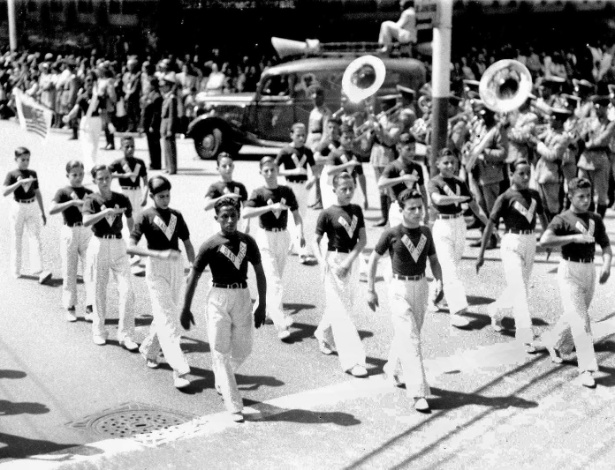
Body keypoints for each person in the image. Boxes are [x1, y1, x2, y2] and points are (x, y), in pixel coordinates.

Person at [180, 197, 267, 423]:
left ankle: (221, 374)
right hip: (218, 297)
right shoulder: (210, 245)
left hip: (242, 295)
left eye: (233, 215)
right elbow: (194, 277)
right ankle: (233, 402)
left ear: (239, 216)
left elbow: (259, 272)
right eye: (224, 216)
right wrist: (186, 307)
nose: (229, 221)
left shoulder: (248, 242)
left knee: (244, 348)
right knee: (220, 350)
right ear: (216, 218)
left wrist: (262, 304)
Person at [366, 189, 443, 413]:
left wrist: (440, 281)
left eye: (421, 207)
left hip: (421, 286)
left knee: (411, 334)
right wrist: (370, 289)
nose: (418, 212)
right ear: (401, 211)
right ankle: (418, 392)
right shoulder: (392, 233)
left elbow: (434, 261)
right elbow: (373, 260)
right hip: (398, 287)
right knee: (411, 339)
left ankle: (392, 368)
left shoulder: (427, 233)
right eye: (412, 208)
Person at [538, 177, 612, 388]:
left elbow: (606, 246)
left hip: (589, 271)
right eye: (581, 196)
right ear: (570, 196)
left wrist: (606, 265)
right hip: (569, 271)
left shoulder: (595, 219)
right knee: (581, 321)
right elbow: (544, 241)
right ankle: (587, 369)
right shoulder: (562, 219)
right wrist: (572, 238)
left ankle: (554, 342)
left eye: (589, 196)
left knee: (575, 315)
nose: (586, 200)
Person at [127, 176, 195, 389]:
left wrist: (194, 267)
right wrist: (157, 254)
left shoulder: (176, 215)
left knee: (168, 314)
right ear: (152, 196)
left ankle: (149, 350)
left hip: (176, 266)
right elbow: (130, 247)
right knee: (170, 319)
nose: (165, 200)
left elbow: (188, 243)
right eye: (161, 196)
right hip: (155, 268)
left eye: (167, 195)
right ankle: (179, 370)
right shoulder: (144, 216)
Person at [476, 160, 549, 353]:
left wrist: (549, 239)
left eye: (527, 173)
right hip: (511, 242)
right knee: (521, 291)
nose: (525, 178)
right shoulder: (505, 197)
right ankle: (525, 335)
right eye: (521, 174)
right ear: (512, 174)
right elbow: (490, 225)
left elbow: (542, 217)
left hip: (530, 242)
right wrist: (481, 254)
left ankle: (495, 310)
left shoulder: (534, 195)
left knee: (520, 288)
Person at [312, 172, 368, 377]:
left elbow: (362, 240)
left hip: (351, 260)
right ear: (334, 190)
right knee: (343, 312)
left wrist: (349, 262)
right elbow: (315, 241)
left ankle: (323, 332)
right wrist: (321, 262)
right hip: (334, 261)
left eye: (351, 188)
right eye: (343, 188)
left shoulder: (356, 210)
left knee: (346, 304)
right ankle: (353, 360)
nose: (348, 192)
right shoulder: (327, 213)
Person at [243, 157, 304, 340]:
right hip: (265, 238)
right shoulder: (259, 193)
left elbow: (296, 215)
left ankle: (260, 311)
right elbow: (246, 212)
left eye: (272, 170)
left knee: (274, 279)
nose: (269, 174)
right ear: (261, 172)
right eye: (266, 171)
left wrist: (300, 233)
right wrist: (268, 208)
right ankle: (281, 325)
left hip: (282, 236)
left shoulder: (286, 191)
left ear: (277, 170)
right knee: (275, 281)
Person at [428, 149, 489, 328]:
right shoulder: (434, 182)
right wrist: (460, 198)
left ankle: (433, 298)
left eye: (453, 163)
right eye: (446, 162)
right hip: (443, 226)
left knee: (451, 267)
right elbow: (438, 200)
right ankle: (457, 311)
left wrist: (489, 226)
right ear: (437, 164)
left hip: (459, 225)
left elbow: (475, 206)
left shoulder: (460, 182)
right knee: (450, 269)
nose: (450, 166)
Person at [82, 164, 137, 349]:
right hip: (99, 244)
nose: (105, 182)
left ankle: (126, 335)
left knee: (128, 291)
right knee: (99, 290)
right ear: (94, 181)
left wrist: (132, 239)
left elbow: (129, 218)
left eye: (107, 177)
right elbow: (86, 221)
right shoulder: (91, 199)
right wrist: (104, 212)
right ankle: (99, 330)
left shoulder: (121, 198)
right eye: (101, 179)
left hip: (118, 244)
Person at [49, 160, 94, 321]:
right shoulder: (63, 192)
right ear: (67, 175)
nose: (78, 178)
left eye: (81, 174)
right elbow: (52, 209)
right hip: (69, 230)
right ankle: (70, 305)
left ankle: (90, 306)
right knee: (69, 269)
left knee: (90, 268)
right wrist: (72, 202)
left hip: (86, 230)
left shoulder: (89, 192)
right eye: (74, 175)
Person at [2, 147, 52, 284]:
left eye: (27, 159)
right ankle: (16, 270)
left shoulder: (32, 173)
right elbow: (5, 192)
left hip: (32, 205)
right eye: (22, 159)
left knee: (34, 236)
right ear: (16, 159)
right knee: (17, 237)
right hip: (18, 206)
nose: (25, 162)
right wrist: (18, 183)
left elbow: (37, 192)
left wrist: (42, 211)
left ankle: (38, 269)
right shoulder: (12, 174)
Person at [275, 123, 318, 263]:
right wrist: (292, 172)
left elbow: (315, 170)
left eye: (303, 135)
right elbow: (274, 170)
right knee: (294, 216)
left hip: (303, 187)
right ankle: (302, 250)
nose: (301, 138)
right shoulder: (286, 150)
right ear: (291, 135)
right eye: (298, 135)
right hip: (289, 186)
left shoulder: (307, 151)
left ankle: (292, 245)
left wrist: (312, 179)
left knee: (301, 216)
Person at [378, 132, 428, 227]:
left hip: (414, 205)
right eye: (408, 149)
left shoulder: (417, 167)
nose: (412, 152)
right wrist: (402, 178)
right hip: (398, 207)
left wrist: (426, 211)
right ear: (399, 148)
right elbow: (381, 183)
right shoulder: (392, 166)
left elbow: (422, 190)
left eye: (414, 149)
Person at [64, 72, 102, 168]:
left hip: (96, 121)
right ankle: (90, 166)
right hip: (87, 121)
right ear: (84, 84)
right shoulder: (82, 97)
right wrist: (69, 116)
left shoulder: (99, 97)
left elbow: (104, 111)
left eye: (92, 82)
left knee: (95, 145)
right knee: (88, 145)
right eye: (87, 82)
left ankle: (92, 164)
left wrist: (109, 124)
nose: (89, 85)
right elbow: (76, 110)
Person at [109, 136, 149, 225]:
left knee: (138, 217)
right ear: (121, 148)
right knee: (125, 217)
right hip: (124, 192)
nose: (130, 149)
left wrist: (145, 196)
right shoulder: (118, 163)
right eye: (127, 147)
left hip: (137, 192)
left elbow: (145, 181)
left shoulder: (140, 162)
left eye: (132, 146)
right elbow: (106, 174)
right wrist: (122, 175)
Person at [142, 77, 163, 170]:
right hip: (147, 122)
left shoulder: (157, 96)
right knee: (151, 145)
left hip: (153, 124)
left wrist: (152, 125)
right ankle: (152, 162)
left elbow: (156, 113)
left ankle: (156, 163)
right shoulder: (151, 94)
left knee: (155, 145)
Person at [160, 73, 178, 175]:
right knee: (166, 148)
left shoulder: (171, 98)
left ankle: (172, 168)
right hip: (164, 125)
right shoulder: (166, 97)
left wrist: (170, 129)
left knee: (170, 148)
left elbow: (171, 115)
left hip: (168, 126)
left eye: (164, 86)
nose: (162, 88)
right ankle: (167, 166)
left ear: (168, 86)